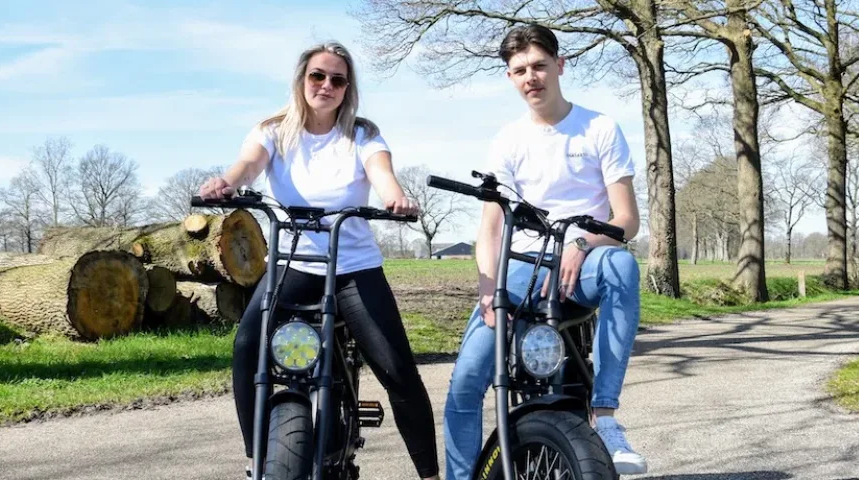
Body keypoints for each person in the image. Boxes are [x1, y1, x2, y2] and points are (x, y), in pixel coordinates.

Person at [198, 41, 441, 480]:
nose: (326, 85)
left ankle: (429, 473)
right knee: (247, 347)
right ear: (301, 80)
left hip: (353, 269)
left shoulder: (362, 134)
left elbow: (382, 173)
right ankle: (257, 459)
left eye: (337, 79)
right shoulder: (273, 131)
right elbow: (248, 165)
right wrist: (227, 182)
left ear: (348, 88)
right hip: (294, 264)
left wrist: (395, 199)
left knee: (398, 371)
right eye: (318, 76)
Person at [442, 24, 649, 479]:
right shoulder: (507, 140)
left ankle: (607, 416)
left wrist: (581, 241)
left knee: (621, 264)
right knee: (464, 386)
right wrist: (488, 290)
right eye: (519, 71)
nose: (530, 77)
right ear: (510, 78)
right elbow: (491, 229)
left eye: (538, 66)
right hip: (521, 270)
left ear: (560, 65)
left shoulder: (599, 128)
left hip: (586, 262)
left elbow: (626, 220)